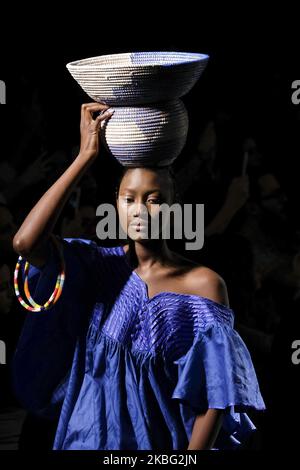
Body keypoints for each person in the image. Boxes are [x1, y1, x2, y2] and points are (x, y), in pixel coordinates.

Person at [12, 103, 265, 450]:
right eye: (129, 198)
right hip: (83, 440)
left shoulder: (203, 284)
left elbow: (214, 399)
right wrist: (85, 156)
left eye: (155, 199)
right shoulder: (97, 265)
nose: (141, 210)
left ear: (175, 205)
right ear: (116, 203)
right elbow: (26, 243)